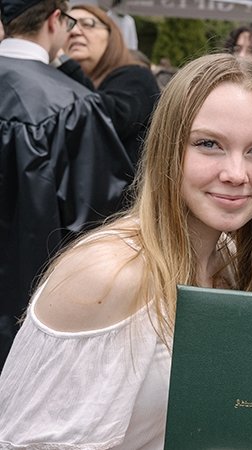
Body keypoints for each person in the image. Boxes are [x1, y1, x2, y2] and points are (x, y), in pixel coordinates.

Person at [0, 53, 252, 447]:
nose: (236, 173)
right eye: (208, 144)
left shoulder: (234, 261)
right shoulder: (109, 273)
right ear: (168, 148)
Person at [0, 0, 133, 370]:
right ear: (56, 19)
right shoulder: (71, 104)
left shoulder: (69, 104)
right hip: (26, 310)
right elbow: (96, 219)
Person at [56, 3, 159, 167]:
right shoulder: (55, 83)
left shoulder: (137, 77)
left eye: (88, 24)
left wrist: (64, 63)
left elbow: (107, 121)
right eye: (68, 25)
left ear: (111, 35)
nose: (75, 31)